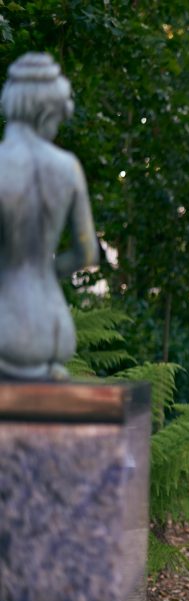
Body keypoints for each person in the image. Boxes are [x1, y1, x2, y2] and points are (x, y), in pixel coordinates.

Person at [0, 52, 98, 379]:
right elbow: (87, 252)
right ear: (45, 113)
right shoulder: (68, 168)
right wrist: (41, 272)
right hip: (54, 331)